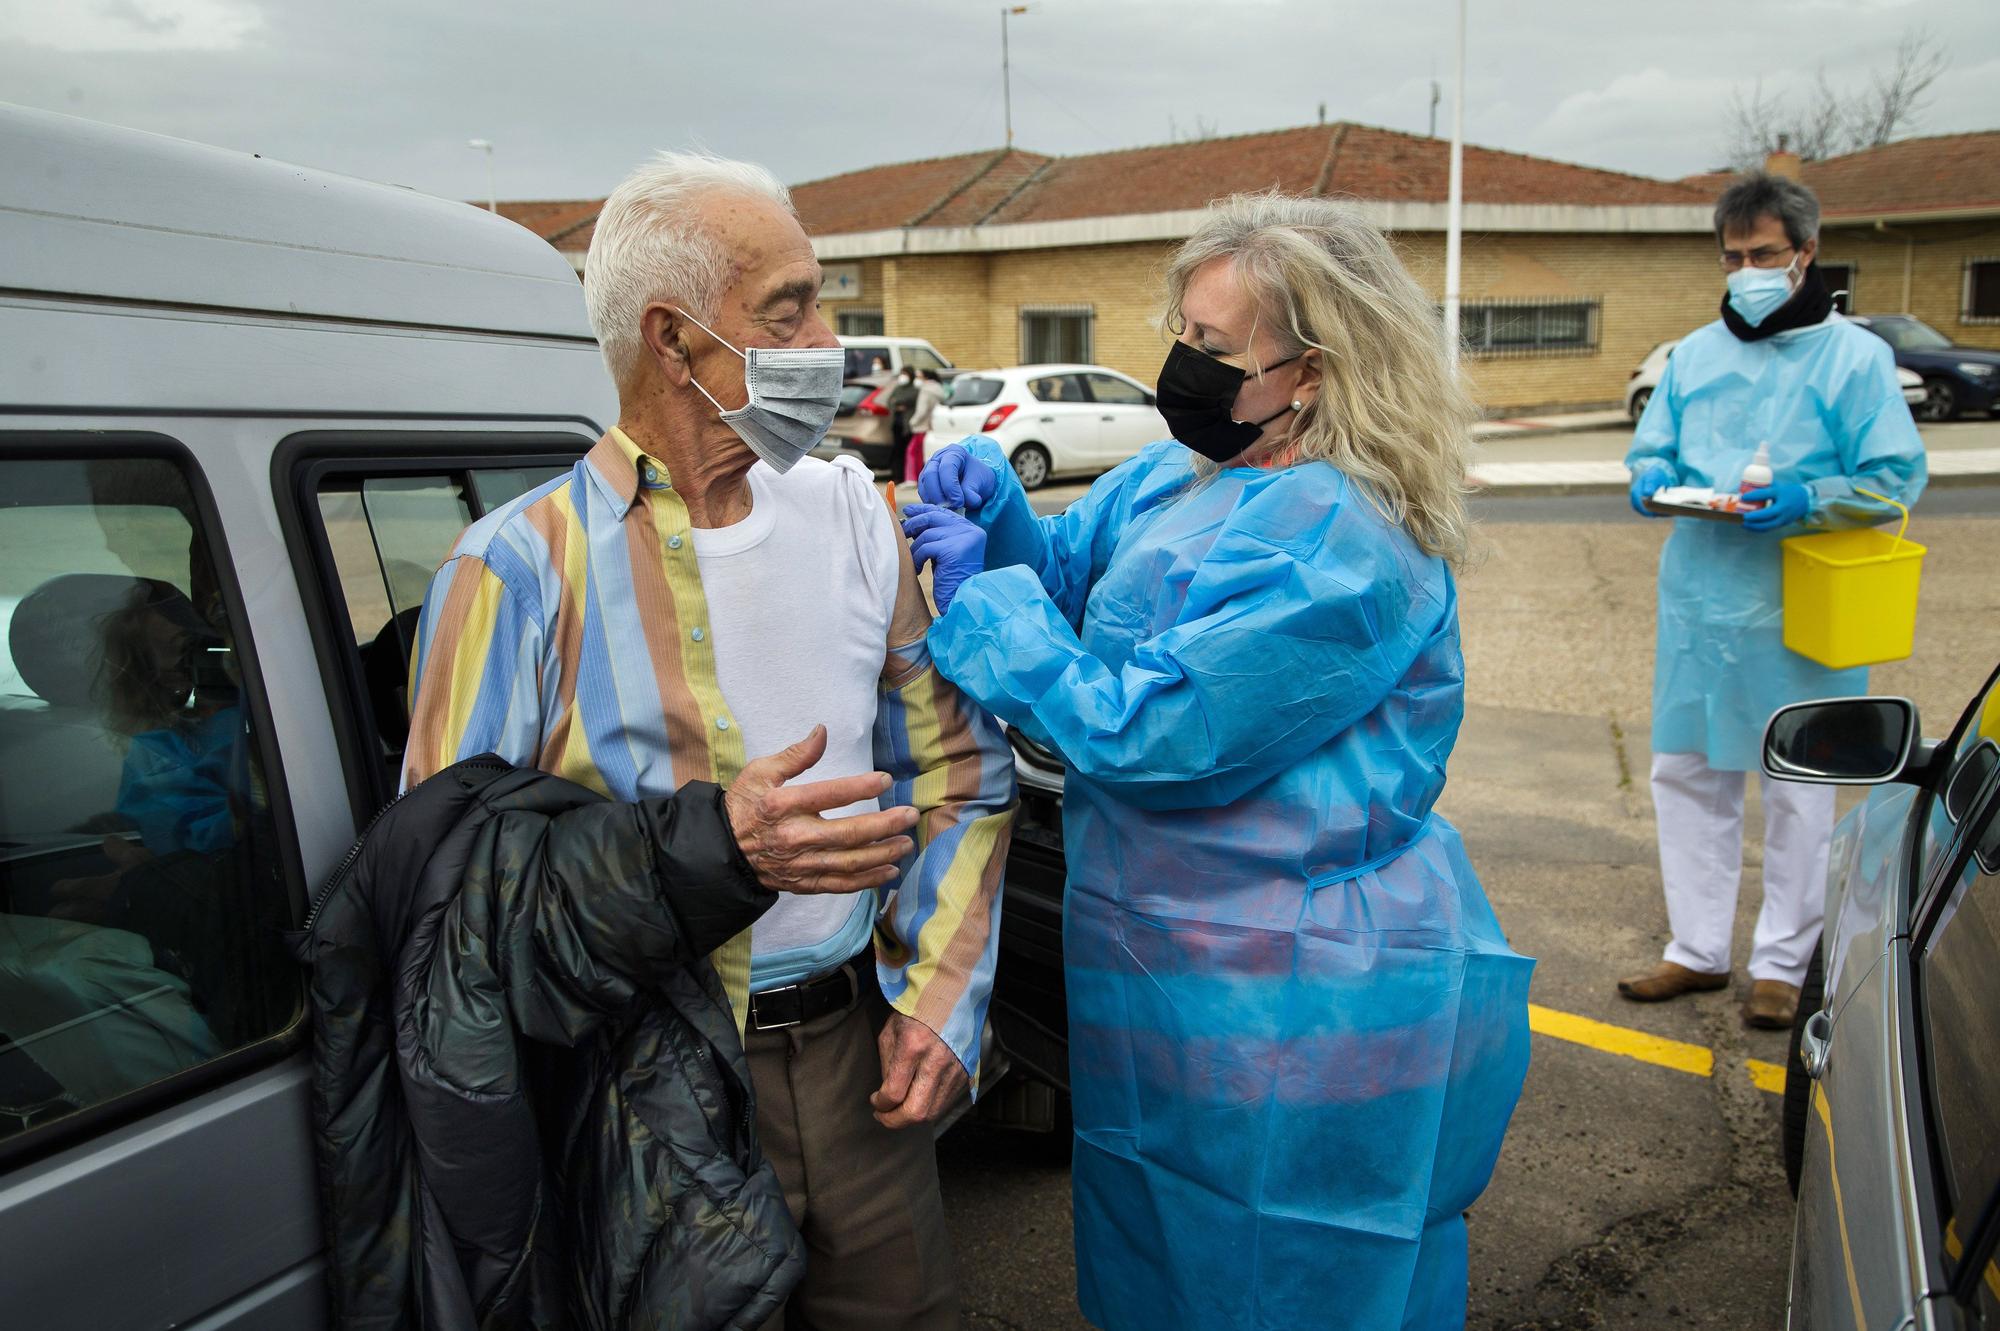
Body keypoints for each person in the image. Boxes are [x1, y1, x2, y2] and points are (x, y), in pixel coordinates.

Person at [403, 150, 1015, 1331]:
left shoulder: (851, 516)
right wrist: (704, 854)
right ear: (674, 340)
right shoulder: (512, 572)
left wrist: (941, 994)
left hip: (857, 1072)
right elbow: (446, 904)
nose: (826, 337)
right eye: (788, 307)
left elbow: (961, 769)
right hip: (642, 1092)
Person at [902, 194, 1532, 1331]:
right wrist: (1000, 522)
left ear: (1315, 366)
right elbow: (1073, 597)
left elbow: (1150, 726)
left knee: (1299, 1263)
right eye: (1182, 333)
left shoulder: (1345, 540)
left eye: (1215, 346)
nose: (1181, 366)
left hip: (1297, 988)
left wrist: (980, 598)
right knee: (1163, 1242)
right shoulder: (1178, 477)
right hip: (1162, 965)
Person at [1621, 172, 1926, 1029]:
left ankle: (1783, 965)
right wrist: (1649, 477)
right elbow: (1655, 447)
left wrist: (1811, 495)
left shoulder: (1855, 358)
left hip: (1802, 607)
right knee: (1687, 772)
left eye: (1762, 253)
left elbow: (1896, 478)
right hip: (1700, 604)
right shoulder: (1694, 354)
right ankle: (1696, 950)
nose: (1746, 268)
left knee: (1799, 783)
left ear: (1806, 253)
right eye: (1733, 255)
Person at [905, 367, 947, 482]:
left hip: (921, 426)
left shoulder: (925, 391)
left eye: (919, 377)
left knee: (914, 452)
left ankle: (915, 478)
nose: (916, 379)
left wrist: (912, 422)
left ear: (925, 377)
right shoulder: (938, 389)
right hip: (933, 425)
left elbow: (921, 410)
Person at [886, 363, 919, 470]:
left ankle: (905, 474)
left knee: (906, 450)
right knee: (897, 449)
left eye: (905, 373)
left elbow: (908, 399)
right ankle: (896, 473)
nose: (902, 376)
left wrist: (897, 402)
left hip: (907, 425)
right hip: (896, 423)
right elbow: (890, 401)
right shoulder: (898, 388)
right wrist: (896, 405)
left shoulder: (915, 390)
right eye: (901, 373)